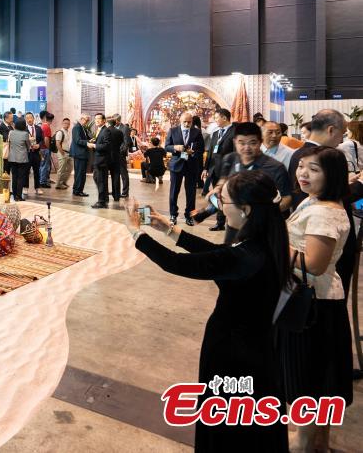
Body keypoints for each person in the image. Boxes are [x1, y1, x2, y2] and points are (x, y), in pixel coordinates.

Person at [124, 172, 289, 452]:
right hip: (255, 347)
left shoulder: (248, 255)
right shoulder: (264, 242)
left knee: (229, 424)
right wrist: (168, 229)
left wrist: (136, 232)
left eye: (223, 201)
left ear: (246, 209)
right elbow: (217, 255)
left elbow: (178, 264)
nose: (219, 207)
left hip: (234, 353)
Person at [280, 147, 353, 452]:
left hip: (314, 303)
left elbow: (314, 264)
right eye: (301, 167)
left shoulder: (324, 213)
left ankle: (305, 442)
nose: (303, 174)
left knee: (308, 378)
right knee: (318, 376)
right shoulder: (315, 201)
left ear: (332, 175)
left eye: (314, 169)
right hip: (317, 299)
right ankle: (318, 441)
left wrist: (274, 245)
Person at [208, 122, 292, 244]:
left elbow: (287, 198)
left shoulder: (275, 167)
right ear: (235, 142)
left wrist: (262, 214)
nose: (246, 148)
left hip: (262, 229)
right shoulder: (231, 159)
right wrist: (217, 195)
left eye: (252, 143)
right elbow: (222, 184)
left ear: (260, 142)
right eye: (241, 143)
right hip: (234, 226)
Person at [288, 109, 346, 209]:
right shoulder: (312, 155)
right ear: (331, 130)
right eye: (342, 134)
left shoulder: (300, 153)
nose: (341, 140)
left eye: (313, 169)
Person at [165, 111, 205, 226]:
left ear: (192, 122)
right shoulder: (173, 131)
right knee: (174, 192)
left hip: (191, 165)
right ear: (180, 121)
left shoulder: (197, 132)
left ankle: (189, 216)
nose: (187, 124)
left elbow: (201, 149)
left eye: (189, 122)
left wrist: (193, 152)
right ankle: (173, 215)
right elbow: (166, 147)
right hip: (176, 165)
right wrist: (175, 147)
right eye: (185, 122)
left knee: (191, 193)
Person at [203, 108, 235, 231]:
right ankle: (220, 223)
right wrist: (206, 168)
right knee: (218, 197)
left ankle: (233, 222)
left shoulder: (234, 132)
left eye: (216, 118)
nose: (215, 120)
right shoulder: (216, 133)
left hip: (228, 172)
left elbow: (236, 154)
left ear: (224, 118)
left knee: (230, 197)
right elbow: (210, 152)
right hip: (214, 170)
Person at [88, 114, 122, 208]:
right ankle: (105, 198)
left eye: (99, 119)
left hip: (102, 160)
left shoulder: (106, 130)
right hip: (99, 159)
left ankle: (101, 201)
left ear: (104, 121)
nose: (96, 120)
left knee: (101, 180)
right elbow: (102, 142)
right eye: (95, 119)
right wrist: (94, 142)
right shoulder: (100, 130)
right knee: (99, 179)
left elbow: (107, 145)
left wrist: (94, 145)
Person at [7, 118, 31, 201]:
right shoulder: (25, 134)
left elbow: (9, 143)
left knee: (14, 177)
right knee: (21, 178)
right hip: (22, 159)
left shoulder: (11, 132)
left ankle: (14, 196)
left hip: (12, 158)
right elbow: (28, 146)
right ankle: (19, 196)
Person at [70, 114, 91, 197]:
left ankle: (78, 190)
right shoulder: (77, 127)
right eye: (86, 120)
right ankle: (77, 191)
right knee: (79, 173)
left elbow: (84, 138)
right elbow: (77, 140)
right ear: (82, 119)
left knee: (81, 173)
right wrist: (87, 143)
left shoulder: (82, 127)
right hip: (79, 154)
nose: (87, 122)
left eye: (88, 120)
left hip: (82, 154)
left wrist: (90, 140)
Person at [24, 112, 44, 196]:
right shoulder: (24, 129)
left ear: (33, 118)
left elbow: (42, 140)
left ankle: (37, 187)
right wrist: (28, 146)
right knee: (26, 171)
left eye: (30, 117)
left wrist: (39, 145)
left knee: (37, 171)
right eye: (27, 118)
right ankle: (25, 187)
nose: (29, 119)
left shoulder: (38, 128)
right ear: (25, 119)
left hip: (36, 153)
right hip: (27, 153)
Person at [112, 113, 131, 198]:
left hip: (120, 154)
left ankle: (125, 192)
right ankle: (116, 191)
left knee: (123, 173)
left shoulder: (125, 128)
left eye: (114, 120)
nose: (113, 122)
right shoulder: (113, 127)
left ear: (118, 120)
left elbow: (126, 142)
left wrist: (121, 152)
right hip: (113, 154)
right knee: (115, 173)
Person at [54, 117, 73, 189]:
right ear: (62, 123)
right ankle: (58, 184)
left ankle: (64, 182)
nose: (67, 125)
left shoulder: (67, 132)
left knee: (70, 168)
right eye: (65, 123)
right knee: (62, 169)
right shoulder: (60, 132)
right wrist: (62, 153)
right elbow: (57, 143)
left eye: (68, 123)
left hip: (69, 153)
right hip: (62, 153)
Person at [39, 111, 53, 188]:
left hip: (41, 148)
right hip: (45, 148)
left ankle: (41, 180)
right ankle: (43, 182)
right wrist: (48, 148)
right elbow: (46, 139)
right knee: (45, 165)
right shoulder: (46, 127)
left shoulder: (42, 126)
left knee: (42, 165)